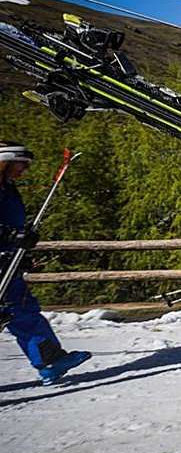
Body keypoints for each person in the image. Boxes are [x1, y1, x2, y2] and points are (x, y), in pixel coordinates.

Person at [0, 143, 92, 385]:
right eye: (21, 163)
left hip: (7, 264)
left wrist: (20, 254)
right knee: (18, 311)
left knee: (21, 311)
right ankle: (49, 360)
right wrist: (10, 236)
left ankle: (49, 360)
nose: (25, 169)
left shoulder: (7, 189)